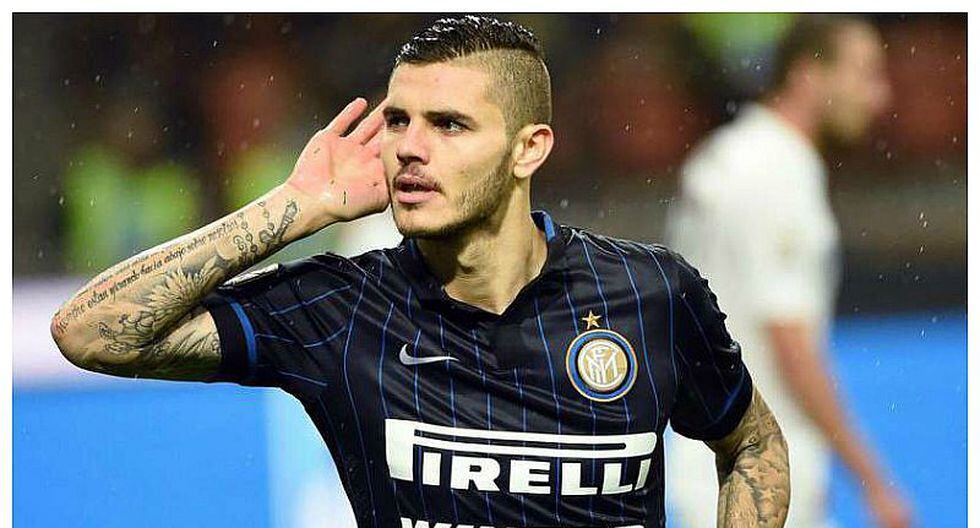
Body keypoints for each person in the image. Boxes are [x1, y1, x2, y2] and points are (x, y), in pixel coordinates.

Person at [51, 16, 789, 528]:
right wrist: (292, 206)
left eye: (449, 125)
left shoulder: (650, 294)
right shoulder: (344, 310)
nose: (408, 146)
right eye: (398, 120)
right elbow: (91, 333)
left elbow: (753, 445)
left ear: (528, 149)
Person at [665, 15, 912, 528]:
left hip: (703, 457)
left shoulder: (722, 156)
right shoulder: (778, 173)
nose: (880, 97)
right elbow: (790, 343)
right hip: (762, 471)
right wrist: (872, 479)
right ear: (808, 75)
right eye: (866, 74)